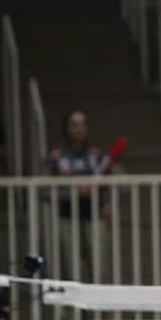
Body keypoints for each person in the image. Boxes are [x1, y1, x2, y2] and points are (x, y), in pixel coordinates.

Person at [46, 109, 119, 278]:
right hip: (67, 216)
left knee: (101, 267)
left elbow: (120, 182)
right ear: (66, 128)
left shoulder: (98, 155)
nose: (79, 129)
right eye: (74, 125)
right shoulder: (56, 156)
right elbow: (43, 188)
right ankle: (76, 305)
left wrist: (107, 200)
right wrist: (73, 191)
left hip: (95, 216)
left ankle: (101, 304)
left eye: (83, 124)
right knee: (73, 269)